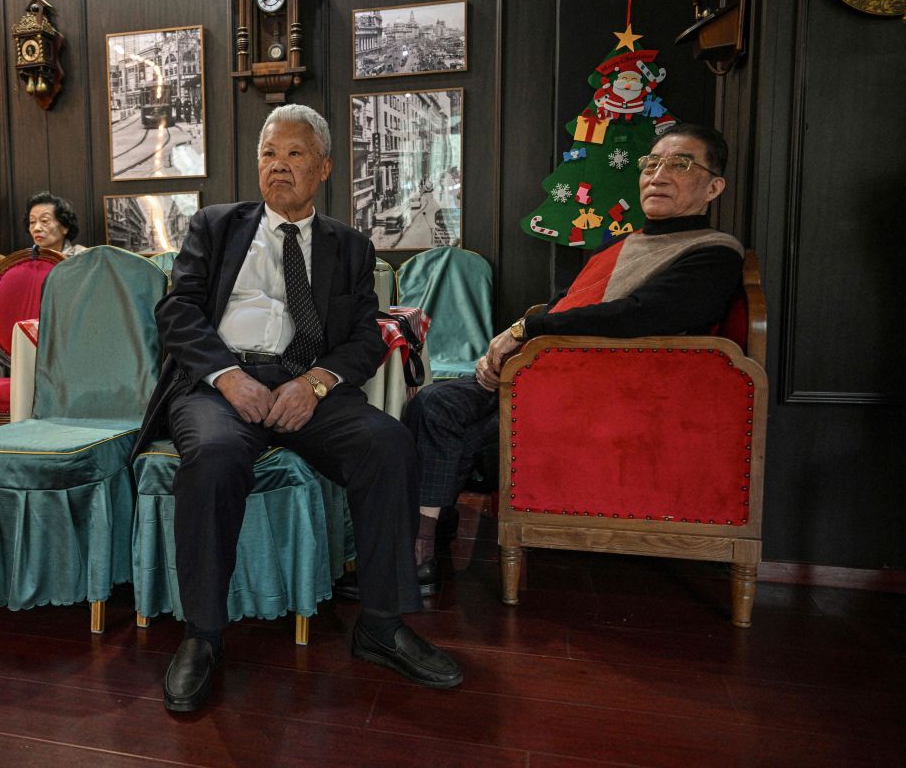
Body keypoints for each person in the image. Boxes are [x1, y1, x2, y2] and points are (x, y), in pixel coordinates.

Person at [135, 103, 463, 714]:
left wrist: (314, 383)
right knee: (212, 455)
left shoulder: (350, 246)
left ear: (325, 169)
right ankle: (203, 635)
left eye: (294, 155)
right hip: (219, 383)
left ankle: (382, 624)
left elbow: (367, 335)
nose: (278, 166)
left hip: (306, 384)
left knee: (388, 442)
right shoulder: (216, 225)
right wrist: (229, 376)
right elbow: (176, 313)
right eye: (268, 154)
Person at [402, 123, 745, 592]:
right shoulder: (625, 245)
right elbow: (566, 308)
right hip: (540, 379)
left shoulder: (713, 253)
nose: (658, 175)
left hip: (598, 399)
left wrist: (527, 329)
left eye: (680, 164)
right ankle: (423, 550)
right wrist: (511, 344)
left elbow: (639, 316)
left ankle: (421, 548)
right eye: (652, 163)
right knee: (432, 403)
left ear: (714, 186)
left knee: (463, 434)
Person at [25, 191, 85, 256]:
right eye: (32, 222)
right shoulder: (24, 261)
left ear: (65, 227)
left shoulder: (83, 257)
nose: (36, 228)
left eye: (44, 221)